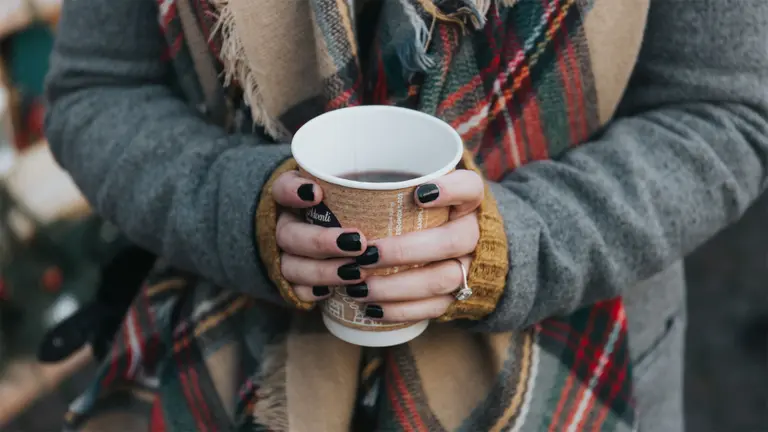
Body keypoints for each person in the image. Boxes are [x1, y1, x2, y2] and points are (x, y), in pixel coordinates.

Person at [44, 0, 767, 431]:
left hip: (567, 380)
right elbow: (98, 89)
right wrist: (242, 212)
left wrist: (517, 246)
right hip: (232, 378)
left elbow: (725, 113)